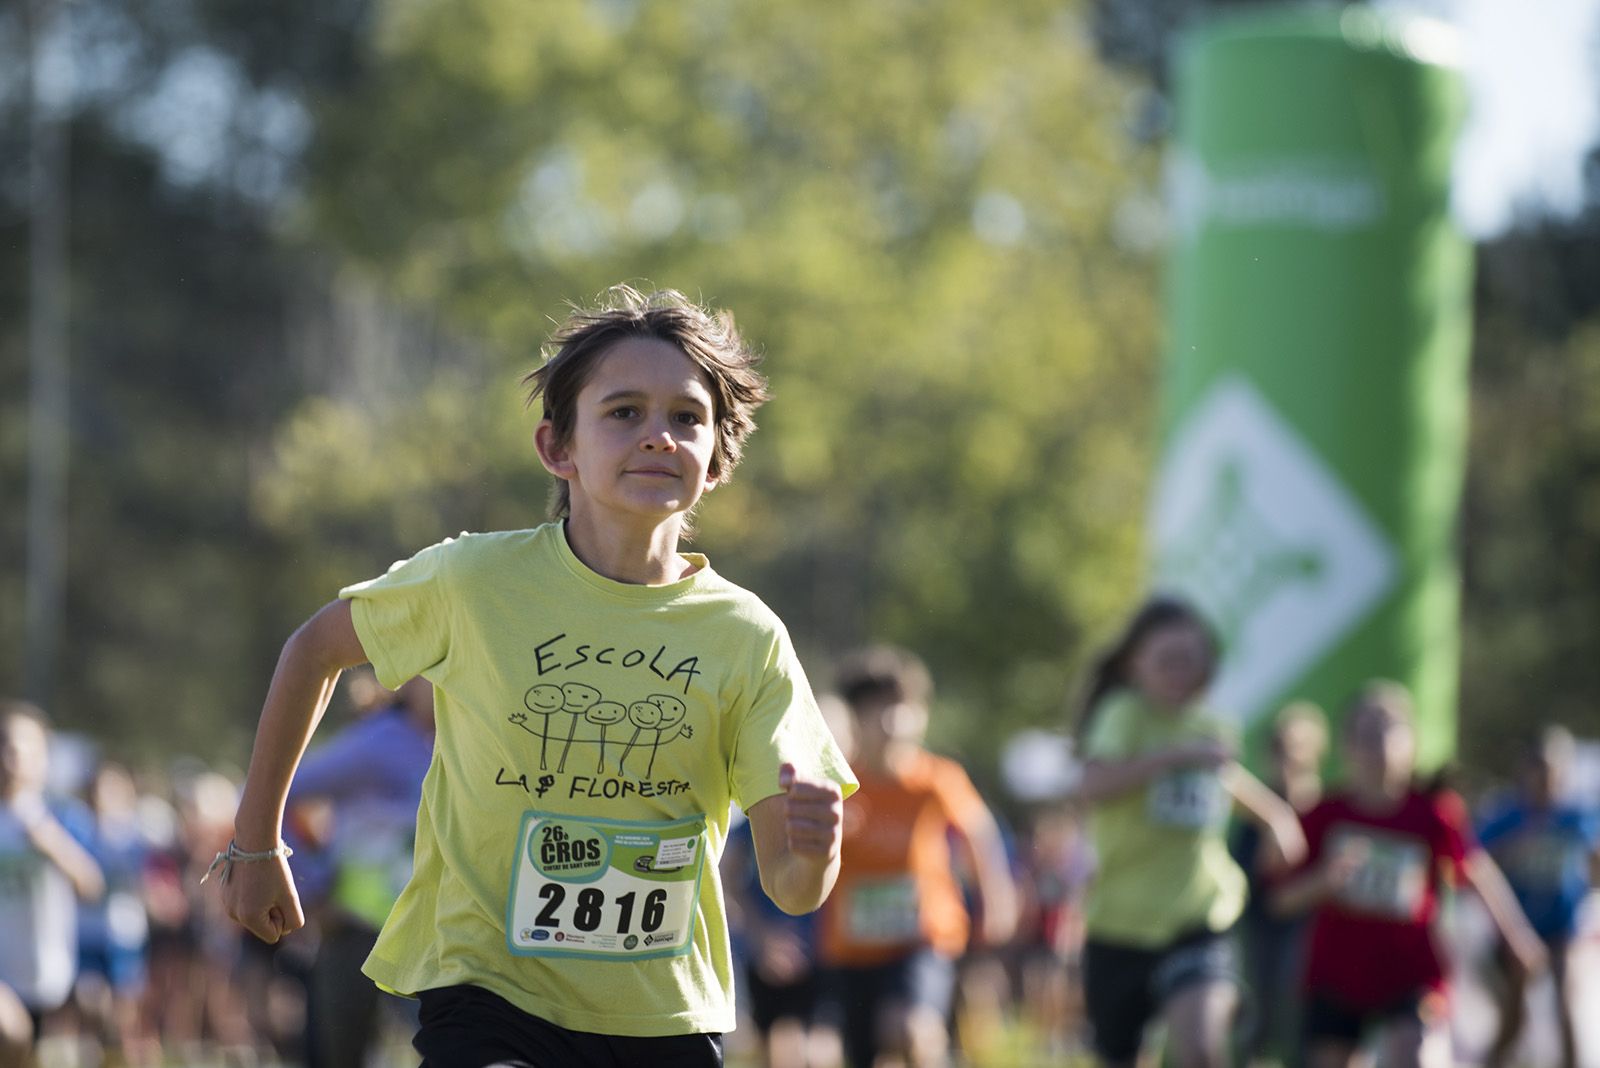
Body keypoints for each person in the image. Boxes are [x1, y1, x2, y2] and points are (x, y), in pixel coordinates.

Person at [215, 285, 857, 1068]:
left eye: (686, 417)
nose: (658, 435)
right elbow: (314, 651)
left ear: (718, 456)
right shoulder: (474, 581)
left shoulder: (746, 636)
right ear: (558, 448)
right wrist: (256, 843)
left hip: (663, 1015)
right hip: (489, 991)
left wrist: (815, 851)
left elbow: (793, 890)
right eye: (623, 412)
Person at [1071, 597, 1305, 1068]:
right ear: (1137, 664)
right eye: (1167, 660)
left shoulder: (1213, 723)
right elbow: (1094, 784)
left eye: (1191, 660)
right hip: (1120, 922)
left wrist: (1276, 818)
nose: (1181, 672)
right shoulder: (1124, 714)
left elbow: (1224, 777)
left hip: (1198, 917)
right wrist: (1171, 758)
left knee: (1200, 1049)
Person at [1272, 681, 1546, 1068]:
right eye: (1365, 733)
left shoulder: (1433, 814)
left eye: (1389, 730)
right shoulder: (1324, 816)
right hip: (1337, 974)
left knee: (1418, 1057)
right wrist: (1323, 882)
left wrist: (1517, 935)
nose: (1378, 744)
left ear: (1412, 742)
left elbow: (1477, 872)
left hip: (1412, 973)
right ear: (1346, 745)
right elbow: (1281, 900)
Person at [815, 645, 1019, 1068]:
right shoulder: (836, 785)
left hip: (922, 937)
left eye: (903, 708)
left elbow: (979, 837)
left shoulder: (937, 779)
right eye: (878, 710)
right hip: (852, 948)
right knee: (864, 1053)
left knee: (911, 1029)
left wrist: (996, 901)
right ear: (855, 717)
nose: (892, 722)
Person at [288, 672, 436, 1068]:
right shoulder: (378, 742)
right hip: (357, 931)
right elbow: (284, 794)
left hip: (427, 934)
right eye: (431, 676)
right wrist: (311, 887)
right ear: (407, 681)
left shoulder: (459, 743)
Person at [722, 695, 854, 1068]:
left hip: (834, 954)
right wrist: (762, 935)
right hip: (773, 950)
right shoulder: (769, 810)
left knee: (819, 1047)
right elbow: (729, 877)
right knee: (780, 1049)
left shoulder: (862, 812)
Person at [1476, 724, 1599, 1068]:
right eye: (1538, 767)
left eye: (1554, 769)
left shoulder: (1578, 816)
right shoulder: (1505, 815)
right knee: (1516, 1017)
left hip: (1563, 925)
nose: (1546, 778)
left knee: (1566, 1005)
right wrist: (1516, 844)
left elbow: (1594, 864)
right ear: (1524, 771)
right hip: (1516, 926)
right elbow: (1475, 863)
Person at [0, 700, 105, 1053]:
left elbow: (92, 886)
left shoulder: (62, 816)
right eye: (3, 745)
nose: (10, 758)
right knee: (10, 1036)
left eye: (20, 748)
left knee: (26, 1052)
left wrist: (54, 846)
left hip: (44, 973)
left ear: (43, 758)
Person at [1229, 700, 1328, 1066]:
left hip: (1316, 933)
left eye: (1296, 748)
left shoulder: (1327, 810)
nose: (1288, 758)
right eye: (1279, 748)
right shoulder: (1257, 812)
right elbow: (1241, 875)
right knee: (1261, 1014)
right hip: (1264, 932)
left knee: (1305, 1022)